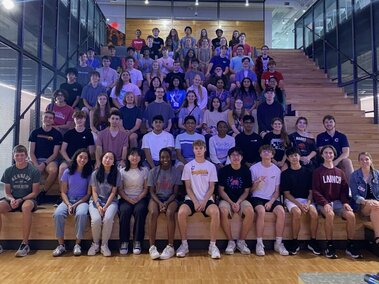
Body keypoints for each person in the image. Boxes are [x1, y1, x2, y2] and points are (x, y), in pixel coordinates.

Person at [313, 145, 362, 259]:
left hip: (338, 202)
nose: (328, 155)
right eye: (326, 152)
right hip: (323, 202)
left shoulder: (340, 172)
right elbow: (315, 191)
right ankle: (329, 245)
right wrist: (324, 203)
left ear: (334, 155)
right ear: (322, 155)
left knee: (351, 215)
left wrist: (345, 202)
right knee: (330, 215)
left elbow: (345, 190)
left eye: (330, 153)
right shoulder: (317, 172)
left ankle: (350, 244)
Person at [176, 140, 221, 259]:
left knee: (215, 212)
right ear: (193, 150)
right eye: (196, 148)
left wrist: (204, 201)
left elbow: (212, 187)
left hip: (206, 199)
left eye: (201, 148)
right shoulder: (188, 166)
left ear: (205, 149)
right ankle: (184, 245)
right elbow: (188, 188)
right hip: (191, 199)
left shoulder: (211, 166)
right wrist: (195, 201)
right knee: (181, 213)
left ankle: (213, 246)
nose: (199, 150)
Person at [0, 145, 40, 257]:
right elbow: (7, 192)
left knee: (26, 207)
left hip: (28, 199)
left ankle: (25, 244)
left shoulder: (34, 171)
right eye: (17, 155)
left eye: (22, 155)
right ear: (13, 157)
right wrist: (12, 199)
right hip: (13, 199)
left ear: (26, 156)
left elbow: (35, 192)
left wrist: (21, 199)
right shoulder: (8, 171)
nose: (19, 157)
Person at [249, 145, 289, 256]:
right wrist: (256, 183)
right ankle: (259, 243)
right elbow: (250, 191)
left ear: (272, 155)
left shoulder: (276, 170)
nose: (266, 153)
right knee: (261, 212)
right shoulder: (254, 168)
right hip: (257, 197)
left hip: (271, 198)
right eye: (264, 151)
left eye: (269, 151)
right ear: (260, 154)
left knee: (281, 212)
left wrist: (271, 202)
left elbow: (277, 191)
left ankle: (278, 243)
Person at [52, 149, 92, 257]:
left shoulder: (89, 174)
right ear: (76, 157)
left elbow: (88, 194)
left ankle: (77, 244)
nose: (83, 159)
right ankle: (61, 245)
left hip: (82, 201)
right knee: (58, 214)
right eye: (81, 157)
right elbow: (63, 192)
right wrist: (69, 204)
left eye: (85, 158)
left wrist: (76, 205)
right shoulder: (67, 172)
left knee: (81, 214)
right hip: (68, 200)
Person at [281, 147, 321, 255]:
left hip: (307, 200)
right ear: (288, 159)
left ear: (299, 156)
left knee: (314, 213)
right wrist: (299, 204)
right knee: (297, 213)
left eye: (295, 155)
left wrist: (307, 203)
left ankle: (313, 241)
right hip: (292, 200)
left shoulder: (308, 172)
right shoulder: (285, 174)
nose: (294, 158)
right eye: (291, 156)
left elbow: (311, 191)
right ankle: (294, 241)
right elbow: (287, 194)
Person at [218, 147, 254, 255]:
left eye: (238, 155)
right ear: (229, 158)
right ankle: (230, 242)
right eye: (233, 155)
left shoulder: (246, 171)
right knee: (223, 210)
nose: (235, 157)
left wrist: (238, 202)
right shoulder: (224, 170)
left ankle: (241, 242)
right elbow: (221, 191)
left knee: (250, 211)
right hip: (227, 199)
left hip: (241, 199)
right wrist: (231, 202)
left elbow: (247, 191)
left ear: (242, 157)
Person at [147, 148, 181, 260]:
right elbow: (151, 191)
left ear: (170, 158)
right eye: (162, 157)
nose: (165, 159)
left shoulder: (176, 172)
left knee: (170, 213)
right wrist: (160, 203)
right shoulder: (153, 172)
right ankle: (152, 246)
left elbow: (175, 193)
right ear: (159, 158)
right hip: (156, 198)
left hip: (171, 199)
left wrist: (166, 203)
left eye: (167, 157)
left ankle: (170, 246)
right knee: (152, 212)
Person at [87, 151, 121, 257]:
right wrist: (98, 205)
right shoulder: (95, 173)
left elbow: (113, 192)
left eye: (110, 158)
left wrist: (105, 206)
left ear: (113, 162)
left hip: (111, 202)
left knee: (108, 219)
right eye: (106, 157)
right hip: (96, 202)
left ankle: (104, 245)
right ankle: (95, 244)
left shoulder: (117, 173)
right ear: (101, 159)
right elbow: (94, 192)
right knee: (96, 220)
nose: (107, 160)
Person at [118, 148, 149, 255]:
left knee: (140, 211)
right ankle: (124, 242)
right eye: (132, 155)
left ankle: (137, 242)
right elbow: (120, 189)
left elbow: (146, 189)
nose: (134, 157)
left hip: (140, 198)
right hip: (125, 198)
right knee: (124, 212)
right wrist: (128, 199)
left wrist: (138, 198)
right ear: (128, 157)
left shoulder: (144, 170)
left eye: (137, 155)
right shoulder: (122, 171)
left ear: (140, 157)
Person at [29, 111, 62, 198]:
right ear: (42, 118)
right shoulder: (35, 132)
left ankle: (43, 193)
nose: (48, 119)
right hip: (36, 159)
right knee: (24, 167)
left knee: (53, 170)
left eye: (50, 118)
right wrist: (36, 165)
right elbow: (31, 152)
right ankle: (26, 193)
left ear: (53, 121)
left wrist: (44, 164)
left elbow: (55, 154)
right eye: (46, 117)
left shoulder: (57, 134)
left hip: (50, 160)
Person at [350, 152, 379, 247]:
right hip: (362, 205)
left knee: (375, 207)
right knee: (373, 205)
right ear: (358, 162)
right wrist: (366, 201)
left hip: (376, 204)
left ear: (370, 161)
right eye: (361, 159)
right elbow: (355, 195)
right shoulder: (354, 175)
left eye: (366, 159)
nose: (364, 161)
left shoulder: (377, 174)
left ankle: (377, 237)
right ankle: (378, 236)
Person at [316, 115, 354, 181]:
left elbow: (346, 152)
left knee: (347, 161)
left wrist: (337, 161)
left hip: (338, 160)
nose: (329, 124)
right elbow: (321, 151)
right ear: (324, 124)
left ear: (334, 123)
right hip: (325, 160)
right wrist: (330, 161)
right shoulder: (320, 136)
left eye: (330, 122)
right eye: (326, 122)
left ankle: (353, 186)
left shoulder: (342, 136)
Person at [59, 110, 95, 179]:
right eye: (77, 118)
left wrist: (83, 160)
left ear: (84, 119)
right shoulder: (68, 133)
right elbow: (63, 150)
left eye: (81, 118)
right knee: (62, 168)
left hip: (83, 160)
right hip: (69, 159)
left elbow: (91, 151)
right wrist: (69, 160)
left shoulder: (89, 134)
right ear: (74, 119)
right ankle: (61, 189)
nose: (79, 120)